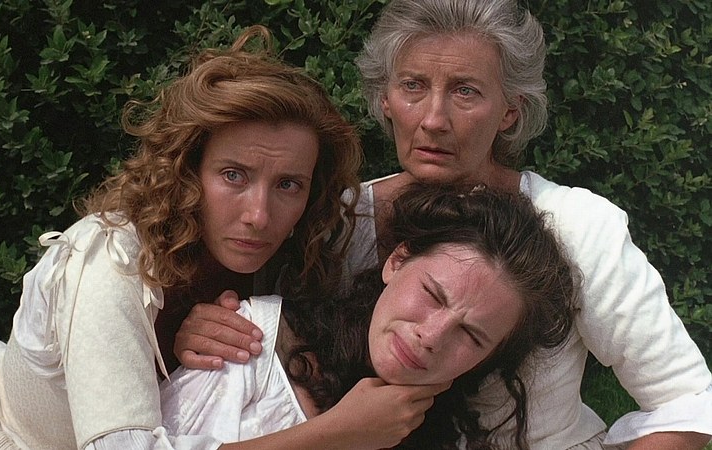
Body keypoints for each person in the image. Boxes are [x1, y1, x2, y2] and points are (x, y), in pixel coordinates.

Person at [174, 1, 712, 449]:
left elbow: (686, 400)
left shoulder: (578, 226)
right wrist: (208, 330)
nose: (433, 119)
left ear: (510, 110)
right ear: (385, 99)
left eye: (465, 91)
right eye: (413, 86)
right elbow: (270, 347)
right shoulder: (337, 220)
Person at [0, 25, 386, 450]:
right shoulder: (111, 261)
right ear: (189, 171)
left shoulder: (290, 251)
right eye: (233, 175)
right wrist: (336, 434)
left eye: (288, 185)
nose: (259, 215)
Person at [159, 183, 577, 450]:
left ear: (487, 359)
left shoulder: (447, 439)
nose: (432, 336)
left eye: (471, 335)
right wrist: (336, 434)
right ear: (396, 261)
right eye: (432, 294)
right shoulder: (255, 340)